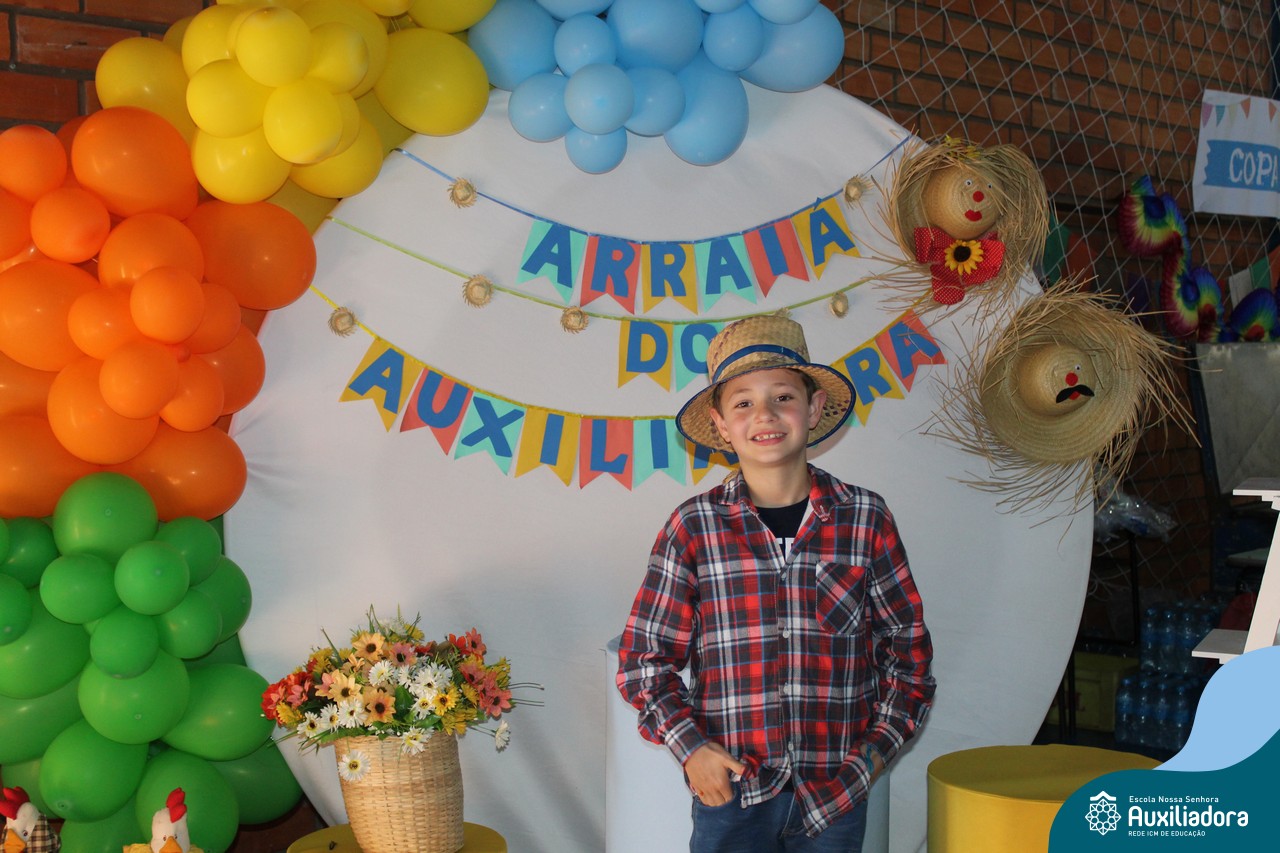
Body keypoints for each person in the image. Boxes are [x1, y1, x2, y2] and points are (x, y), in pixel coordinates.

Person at [616, 315, 936, 852]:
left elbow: (909, 660)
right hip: (733, 800)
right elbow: (643, 661)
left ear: (812, 408)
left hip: (835, 801)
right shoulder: (693, 527)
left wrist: (869, 761)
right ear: (721, 424)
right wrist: (692, 749)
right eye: (743, 403)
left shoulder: (865, 519)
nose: (764, 415)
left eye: (783, 396)